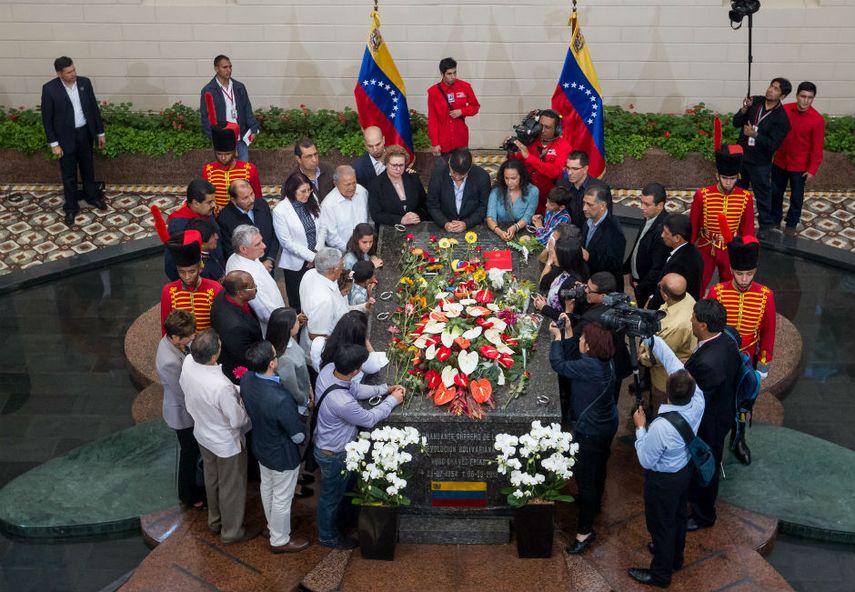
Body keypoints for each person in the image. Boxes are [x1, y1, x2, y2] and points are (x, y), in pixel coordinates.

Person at [628, 337, 705, 589]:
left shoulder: (661, 427)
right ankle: (675, 557)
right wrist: (653, 339)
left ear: (667, 394)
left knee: (660, 524)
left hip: (663, 480)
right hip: (684, 471)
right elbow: (673, 362)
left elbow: (645, 460)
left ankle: (661, 574)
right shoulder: (698, 400)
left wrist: (640, 429)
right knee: (679, 515)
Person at [313, 344, 405, 549]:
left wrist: (384, 389)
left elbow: (354, 388)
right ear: (355, 371)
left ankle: (342, 522)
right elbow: (369, 419)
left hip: (331, 445)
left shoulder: (329, 370)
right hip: (334, 453)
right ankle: (327, 536)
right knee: (331, 497)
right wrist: (392, 400)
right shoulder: (343, 403)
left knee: (339, 491)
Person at [179, 328, 258, 545]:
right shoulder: (220, 387)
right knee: (231, 486)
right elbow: (237, 420)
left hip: (203, 434)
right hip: (225, 443)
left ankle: (214, 521)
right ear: (214, 355)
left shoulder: (187, 363)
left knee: (211, 479)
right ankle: (232, 531)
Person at [549, 319, 618, 555]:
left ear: (588, 347)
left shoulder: (589, 368)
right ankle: (595, 503)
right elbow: (574, 360)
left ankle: (585, 531)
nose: (579, 340)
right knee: (599, 469)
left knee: (585, 479)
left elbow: (559, 363)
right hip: (607, 425)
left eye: (581, 338)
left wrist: (557, 338)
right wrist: (568, 332)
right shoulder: (604, 362)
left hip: (590, 431)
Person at [706, 236, 776, 464]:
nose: (744, 279)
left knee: (745, 404)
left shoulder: (766, 296)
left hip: (748, 361)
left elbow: (768, 332)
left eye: (749, 274)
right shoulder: (717, 292)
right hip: (721, 359)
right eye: (739, 273)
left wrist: (762, 365)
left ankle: (739, 437)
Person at [240, 341, 310, 554]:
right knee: (282, 497)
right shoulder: (280, 398)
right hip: (281, 453)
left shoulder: (246, 379)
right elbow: (297, 435)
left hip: (261, 445)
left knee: (267, 487)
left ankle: (273, 527)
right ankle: (279, 540)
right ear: (272, 363)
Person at [684, 299, 742, 531]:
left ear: (704, 325)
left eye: (694, 318)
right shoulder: (727, 339)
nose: (691, 320)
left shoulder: (708, 363)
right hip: (723, 412)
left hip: (710, 424)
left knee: (705, 468)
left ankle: (703, 515)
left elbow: (697, 400)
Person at [40, 56, 107, 227]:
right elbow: (47, 119)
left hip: (85, 133)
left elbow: (93, 108)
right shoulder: (49, 89)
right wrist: (54, 144)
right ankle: (71, 207)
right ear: (59, 73)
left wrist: (100, 133)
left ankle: (92, 197)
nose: (73, 74)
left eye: (74, 70)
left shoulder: (85, 83)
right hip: (65, 139)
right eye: (69, 72)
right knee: (69, 174)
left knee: (88, 168)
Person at [156, 310, 205, 509]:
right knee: (189, 452)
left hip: (184, 406)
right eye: (188, 336)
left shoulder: (171, 342)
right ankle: (188, 494)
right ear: (175, 337)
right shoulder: (169, 362)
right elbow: (182, 394)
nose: (193, 337)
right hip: (182, 414)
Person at [690, 145, 755, 292]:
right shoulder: (702, 195)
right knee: (697, 284)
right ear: (717, 175)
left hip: (730, 248)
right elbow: (693, 226)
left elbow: (748, 229)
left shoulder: (746, 197)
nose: (728, 183)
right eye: (725, 178)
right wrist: (687, 249)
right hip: (706, 245)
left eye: (732, 179)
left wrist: (747, 255)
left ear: (737, 177)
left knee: (730, 288)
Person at [733, 77, 792, 236]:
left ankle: (765, 226)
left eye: (776, 89)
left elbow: (773, 145)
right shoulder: (756, 101)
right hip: (742, 156)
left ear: (783, 96)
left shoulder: (782, 119)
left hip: (760, 163)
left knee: (763, 195)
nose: (770, 90)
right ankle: (734, 220)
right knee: (737, 191)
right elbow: (736, 122)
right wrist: (744, 108)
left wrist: (755, 134)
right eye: (771, 86)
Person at [266, 307, 315, 496]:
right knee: (297, 442)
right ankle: (294, 484)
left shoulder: (290, 342)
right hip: (297, 406)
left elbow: (302, 364)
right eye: (295, 321)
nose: (299, 322)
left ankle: (299, 473)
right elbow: (292, 387)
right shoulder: (283, 358)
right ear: (287, 328)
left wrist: (309, 387)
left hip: (305, 392)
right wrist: (306, 400)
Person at [637, 274, 698, 416]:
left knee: (661, 408)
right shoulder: (686, 297)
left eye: (660, 286)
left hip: (664, 380)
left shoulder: (676, 326)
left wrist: (642, 356)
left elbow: (658, 356)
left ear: (665, 295)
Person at [771, 81, 825, 235]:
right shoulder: (785, 110)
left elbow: (817, 148)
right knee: (776, 192)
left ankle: (791, 223)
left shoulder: (817, 119)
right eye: (803, 96)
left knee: (796, 197)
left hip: (800, 166)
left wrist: (812, 169)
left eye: (810, 97)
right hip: (780, 161)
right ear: (797, 96)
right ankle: (775, 219)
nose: (805, 101)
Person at [272, 171, 327, 312]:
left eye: (309, 190)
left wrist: (316, 252)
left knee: (318, 296)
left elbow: (322, 227)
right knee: (299, 302)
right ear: (292, 190)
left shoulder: (312, 198)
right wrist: (311, 257)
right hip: (296, 265)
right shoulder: (280, 211)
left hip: (317, 256)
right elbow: (287, 243)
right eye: (302, 191)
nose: (307, 194)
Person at [225, 225, 285, 335]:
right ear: (243, 249)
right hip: (273, 327)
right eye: (258, 244)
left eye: (261, 241)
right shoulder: (247, 278)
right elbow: (265, 312)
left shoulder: (239, 256)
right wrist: (286, 321)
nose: (264, 246)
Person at [200, 55, 260, 163]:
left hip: (240, 137)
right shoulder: (209, 90)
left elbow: (247, 108)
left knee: (242, 172)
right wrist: (214, 138)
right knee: (224, 174)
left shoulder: (239, 87)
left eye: (230, 67)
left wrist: (253, 128)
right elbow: (207, 118)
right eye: (225, 67)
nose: (229, 70)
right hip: (222, 138)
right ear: (216, 69)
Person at [510, 109, 572, 213]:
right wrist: (512, 151)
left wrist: (529, 157)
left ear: (557, 130)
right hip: (526, 195)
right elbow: (515, 165)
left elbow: (554, 172)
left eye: (547, 127)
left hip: (548, 201)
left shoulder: (564, 147)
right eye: (540, 125)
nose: (542, 130)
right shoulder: (529, 140)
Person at [160, 232, 222, 333]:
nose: (187, 277)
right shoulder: (168, 291)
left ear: (200, 268)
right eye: (182, 272)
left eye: (192, 271)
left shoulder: (215, 289)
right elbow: (165, 327)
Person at [210, 271, 263, 383]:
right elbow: (247, 357)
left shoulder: (226, 292)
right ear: (240, 293)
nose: (255, 288)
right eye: (252, 286)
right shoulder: (235, 327)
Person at [165, 180, 222, 280]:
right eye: (209, 202)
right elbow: (172, 265)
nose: (213, 205)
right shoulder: (178, 227)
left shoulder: (206, 211)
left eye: (213, 201)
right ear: (196, 203)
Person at [625, 183, 670, 309]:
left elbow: (657, 268)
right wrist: (631, 271)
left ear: (660, 205)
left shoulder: (663, 231)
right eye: (641, 202)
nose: (642, 207)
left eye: (647, 204)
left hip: (646, 286)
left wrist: (641, 287)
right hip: (638, 279)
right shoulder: (648, 216)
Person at [427, 57, 480, 159]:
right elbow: (432, 119)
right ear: (442, 74)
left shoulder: (465, 87)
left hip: (461, 138)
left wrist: (462, 111)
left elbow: (475, 107)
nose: (453, 76)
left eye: (455, 73)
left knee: (462, 169)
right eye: (449, 74)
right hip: (443, 142)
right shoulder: (433, 92)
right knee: (443, 171)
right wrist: (435, 143)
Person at [202, 124, 263, 214]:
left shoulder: (249, 169)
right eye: (219, 154)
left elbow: (257, 197)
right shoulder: (208, 171)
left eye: (227, 154)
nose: (223, 158)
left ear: (235, 152)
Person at [426, 148, 491, 232]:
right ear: (449, 162)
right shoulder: (438, 174)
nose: (457, 177)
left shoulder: (482, 176)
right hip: (443, 226)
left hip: (473, 227)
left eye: (462, 175)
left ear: (470, 167)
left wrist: (466, 223)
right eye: (454, 173)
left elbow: (483, 206)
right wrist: (444, 223)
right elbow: (432, 205)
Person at [649, 214, 704, 309]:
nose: (662, 235)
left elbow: (666, 293)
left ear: (677, 238)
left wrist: (651, 306)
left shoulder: (678, 264)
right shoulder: (693, 252)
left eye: (666, 233)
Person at [217, 179, 277, 266]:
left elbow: (273, 234)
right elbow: (231, 252)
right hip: (246, 270)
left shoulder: (262, 204)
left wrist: (270, 259)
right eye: (245, 198)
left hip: (268, 265)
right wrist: (259, 266)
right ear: (234, 200)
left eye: (252, 194)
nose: (251, 200)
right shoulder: (224, 219)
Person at [312, 310, 388, 378]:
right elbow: (375, 366)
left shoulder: (318, 342)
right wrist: (365, 340)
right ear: (360, 336)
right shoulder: (358, 358)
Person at [299, 248, 353, 339]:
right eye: (341, 265)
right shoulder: (325, 300)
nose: (343, 268)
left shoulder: (310, 273)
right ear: (333, 270)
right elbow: (316, 335)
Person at [367, 145, 427, 227]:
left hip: (415, 226)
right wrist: (400, 220)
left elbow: (425, 203)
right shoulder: (376, 184)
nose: (398, 169)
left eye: (401, 165)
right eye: (394, 165)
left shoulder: (413, 178)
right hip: (389, 229)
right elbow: (376, 214)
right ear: (386, 164)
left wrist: (416, 215)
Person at [581, 185, 626, 294]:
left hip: (604, 291)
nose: (584, 208)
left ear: (602, 206)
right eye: (584, 203)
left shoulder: (614, 232)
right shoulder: (589, 220)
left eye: (589, 204)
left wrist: (588, 257)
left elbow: (613, 265)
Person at [533, 237, 589, 322]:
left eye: (555, 252)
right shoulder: (561, 269)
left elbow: (569, 318)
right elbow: (543, 284)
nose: (552, 254)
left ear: (564, 258)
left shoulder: (573, 286)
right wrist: (547, 300)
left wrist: (544, 308)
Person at [557, 150, 613, 230]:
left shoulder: (601, 188)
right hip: (566, 234)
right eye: (568, 168)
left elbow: (606, 219)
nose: (569, 173)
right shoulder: (562, 184)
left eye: (575, 169)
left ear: (585, 169)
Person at [319, 165, 370, 251]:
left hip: (367, 247)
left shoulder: (361, 191)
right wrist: (351, 249)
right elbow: (331, 237)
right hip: (344, 253)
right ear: (335, 184)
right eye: (347, 184)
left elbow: (368, 216)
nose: (352, 187)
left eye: (354, 183)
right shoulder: (328, 205)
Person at [485, 159, 538, 240]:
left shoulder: (533, 191)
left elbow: (527, 217)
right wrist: (499, 232)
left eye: (513, 178)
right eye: (506, 178)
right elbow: (490, 218)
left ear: (522, 176)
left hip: (523, 234)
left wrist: (515, 227)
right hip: (498, 231)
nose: (509, 182)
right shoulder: (497, 190)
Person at [288, 138, 334, 203]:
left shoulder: (328, 169)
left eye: (315, 154)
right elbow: (288, 209)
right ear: (298, 159)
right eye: (308, 156)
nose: (314, 159)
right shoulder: (291, 181)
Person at [186, 218, 226, 282]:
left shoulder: (211, 249)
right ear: (202, 244)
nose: (217, 237)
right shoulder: (200, 270)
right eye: (212, 236)